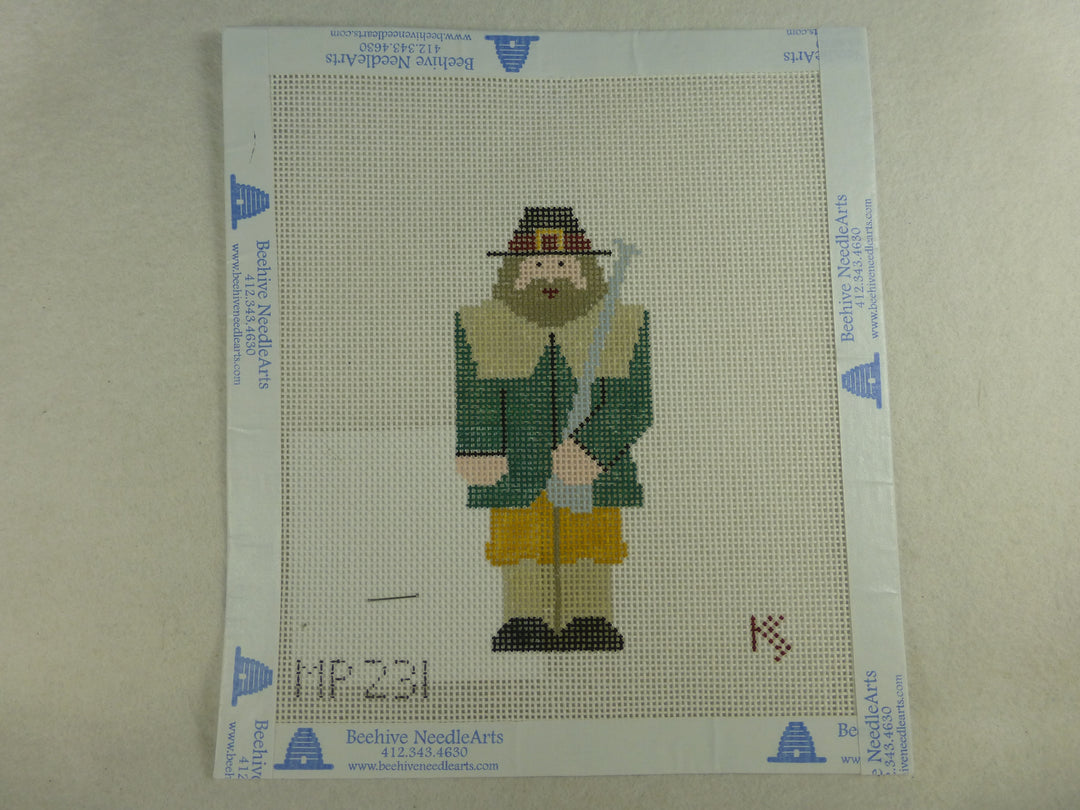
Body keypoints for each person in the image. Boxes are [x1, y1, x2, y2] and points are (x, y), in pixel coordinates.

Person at [454, 207, 652, 651]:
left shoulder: (622, 323)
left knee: (590, 537)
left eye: (562, 263)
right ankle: (524, 616)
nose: (550, 274)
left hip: (594, 470)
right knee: (520, 537)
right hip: (515, 467)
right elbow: (476, 394)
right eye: (537, 263)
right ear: (515, 270)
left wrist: (594, 447)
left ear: (584, 269)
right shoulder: (483, 326)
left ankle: (589, 616)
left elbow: (634, 402)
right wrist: (479, 446)